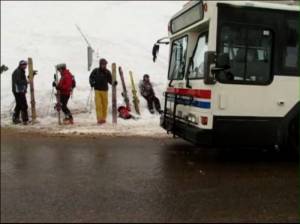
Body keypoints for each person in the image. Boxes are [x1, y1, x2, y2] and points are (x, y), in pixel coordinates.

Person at [89, 58, 117, 125]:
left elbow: (111, 80)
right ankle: (99, 119)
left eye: (105, 64)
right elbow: (91, 77)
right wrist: (92, 82)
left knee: (105, 105)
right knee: (98, 105)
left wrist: (114, 83)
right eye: (103, 64)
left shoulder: (107, 72)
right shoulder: (95, 71)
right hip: (97, 90)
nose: (104, 66)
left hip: (105, 91)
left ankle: (104, 118)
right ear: (100, 64)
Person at [11, 60, 29, 124]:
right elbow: (18, 81)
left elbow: (21, 80)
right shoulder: (18, 71)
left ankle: (15, 118)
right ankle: (25, 120)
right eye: (24, 65)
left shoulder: (21, 71)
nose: (25, 66)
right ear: (20, 65)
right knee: (23, 104)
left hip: (19, 90)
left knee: (19, 104)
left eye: (26, 65)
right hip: (18, 91)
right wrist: (26, 82)